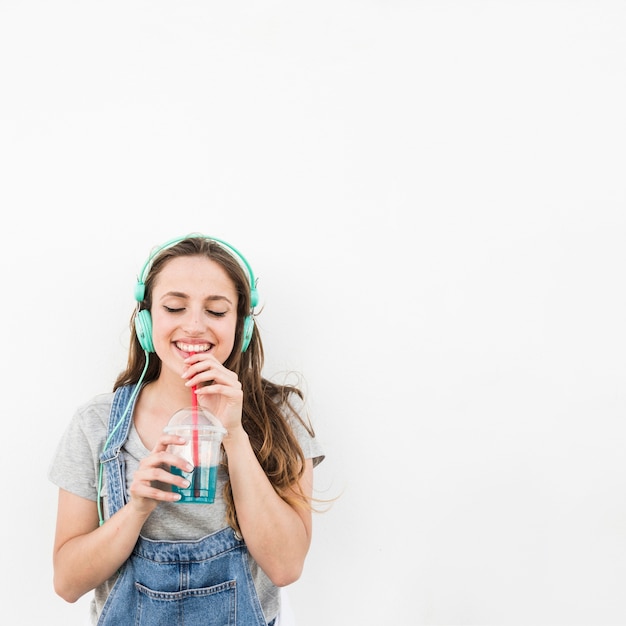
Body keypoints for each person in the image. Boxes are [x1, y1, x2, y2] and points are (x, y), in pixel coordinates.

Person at [48, 234, 325, 626]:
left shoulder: (280, 414)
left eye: (216, 311)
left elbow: (286, 566)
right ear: (146, 321)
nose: (194, 326)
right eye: (175, 307)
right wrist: (137, 508)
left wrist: (234, 432)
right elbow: (67, 582)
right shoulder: (96, 425)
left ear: (242, 327)